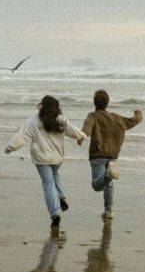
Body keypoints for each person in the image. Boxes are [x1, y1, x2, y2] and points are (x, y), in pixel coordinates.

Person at [5, 95, 86, 228]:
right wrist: (82, 136)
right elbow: (73, 131)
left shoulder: (34, 121)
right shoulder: (61, 120)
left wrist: (10, 147)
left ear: (41, 106)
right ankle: (60, 196)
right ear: (57, 107)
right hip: (57, 158)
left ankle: (55, 213)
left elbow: (22, 136)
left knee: (48, 183)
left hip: (41, 158)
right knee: (55, 174)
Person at [78, 89, 143, 220]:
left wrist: (82, 137)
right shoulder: (116, 118)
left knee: (97, 186)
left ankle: (108, 175)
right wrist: (138, 113)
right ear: (107, 103)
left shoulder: (93, 116)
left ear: (94, 102)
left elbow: (87, 128)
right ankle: (109, 210)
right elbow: (133, 121)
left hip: (98, 155)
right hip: (113, 155)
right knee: (108, 184)